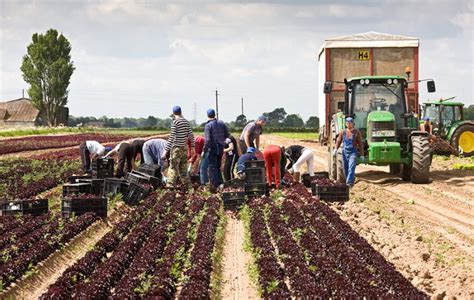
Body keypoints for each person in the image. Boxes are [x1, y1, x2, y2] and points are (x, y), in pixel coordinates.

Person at [162, 106, 195, 189]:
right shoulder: (186, 122)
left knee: (173, 168)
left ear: (173, 113)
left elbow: (172, 137)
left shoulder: (175, 122)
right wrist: (193, 148)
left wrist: (165, 151)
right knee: (183, 169)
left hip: (176, 148)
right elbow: (191, 135)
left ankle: (170, 188)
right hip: (184, 148)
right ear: (181, 112)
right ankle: (189, 188)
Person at [203, 108, 230, 190]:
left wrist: (204, 150)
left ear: (207, 115)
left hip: (213, 147)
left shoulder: (208, 125)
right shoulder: (222, 123)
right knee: (218, 166)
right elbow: (227, 134)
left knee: (212, 167)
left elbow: (207, 140)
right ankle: (220, 183)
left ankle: (215, 186)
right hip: (221, 147)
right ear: (215, 115)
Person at [334, 117, 364, 187]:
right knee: (346, 168)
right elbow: (339, 140)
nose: (348, 124)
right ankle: (350, 180)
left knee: (351, 167)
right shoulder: (343, 132)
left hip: (353, 152)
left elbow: (360, 144)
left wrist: (362, 154)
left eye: (350, 123)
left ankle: (349, 183)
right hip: (345, 152)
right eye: (347, 123)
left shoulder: (356, 132)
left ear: (353, 124)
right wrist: (336, 148)